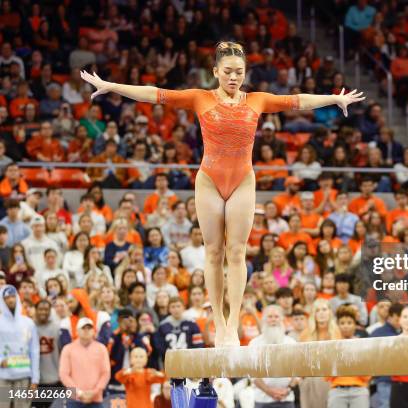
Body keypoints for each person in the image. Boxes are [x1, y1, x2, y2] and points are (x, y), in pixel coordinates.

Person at [81, 41, 364, 346]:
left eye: (239, 72)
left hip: (242, 179)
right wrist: (111, 86)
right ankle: (217, 320)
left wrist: (334, 99)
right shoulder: (199, 98)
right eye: (227, 71)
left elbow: (297, 101)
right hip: (209, 180)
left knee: (237, 251)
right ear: (215, 71)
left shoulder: (257, 100)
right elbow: (154, 94)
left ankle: (232, 322)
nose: (233, 77)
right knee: (214, 252)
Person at [249, 305, 300, 408]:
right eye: (270, 316)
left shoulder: (291, 342)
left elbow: (298, 372)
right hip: (262, 399)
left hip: (287, 398)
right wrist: (268, 391)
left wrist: (288, 389)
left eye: (276, 316)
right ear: (264, 319)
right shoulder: (254, 343)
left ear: (282, 319)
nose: (273, 319)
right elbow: (251, 374)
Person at [59, 317, 111, 407]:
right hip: (73, 398)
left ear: (94, 331)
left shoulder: (101, 348)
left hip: (96, 399)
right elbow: (64, 374)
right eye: (83, 328)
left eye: (89, 328)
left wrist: (95, 392)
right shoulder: (68, 349)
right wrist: (79, 392)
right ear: (77, 331)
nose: (86, 331)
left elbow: (106, 373)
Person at [0, 285, 39, 405]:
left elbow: (34, 351)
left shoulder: (28, 323)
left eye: (12, 296)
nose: (10, 300)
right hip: (3, 376)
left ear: (17, 297)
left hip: (23, 376)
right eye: (7, 298)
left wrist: (35, 379)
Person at [327, 305, 370, 408]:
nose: (345, 326)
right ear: (337, 325)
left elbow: (367, 375)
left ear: (355, 325)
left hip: (359, 389)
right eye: (342, 323)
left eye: (349, 323)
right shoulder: (331, 345)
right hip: (337, 390)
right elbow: (326, 375)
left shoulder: (363, 344)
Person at [370, 303, 404, 408]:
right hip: (385, 380)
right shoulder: (377, 333)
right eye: (398, 318)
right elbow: (371, 358)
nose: (400, 322)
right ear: (390, 316)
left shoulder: (404, 333)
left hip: (401, 380)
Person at [34, 299, 61, 404]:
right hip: (36, 381)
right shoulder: (29, 326)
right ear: (35, 310)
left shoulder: (58, 326)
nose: (43, 312)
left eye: (46, 309)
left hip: (55, 378)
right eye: (40, 309)